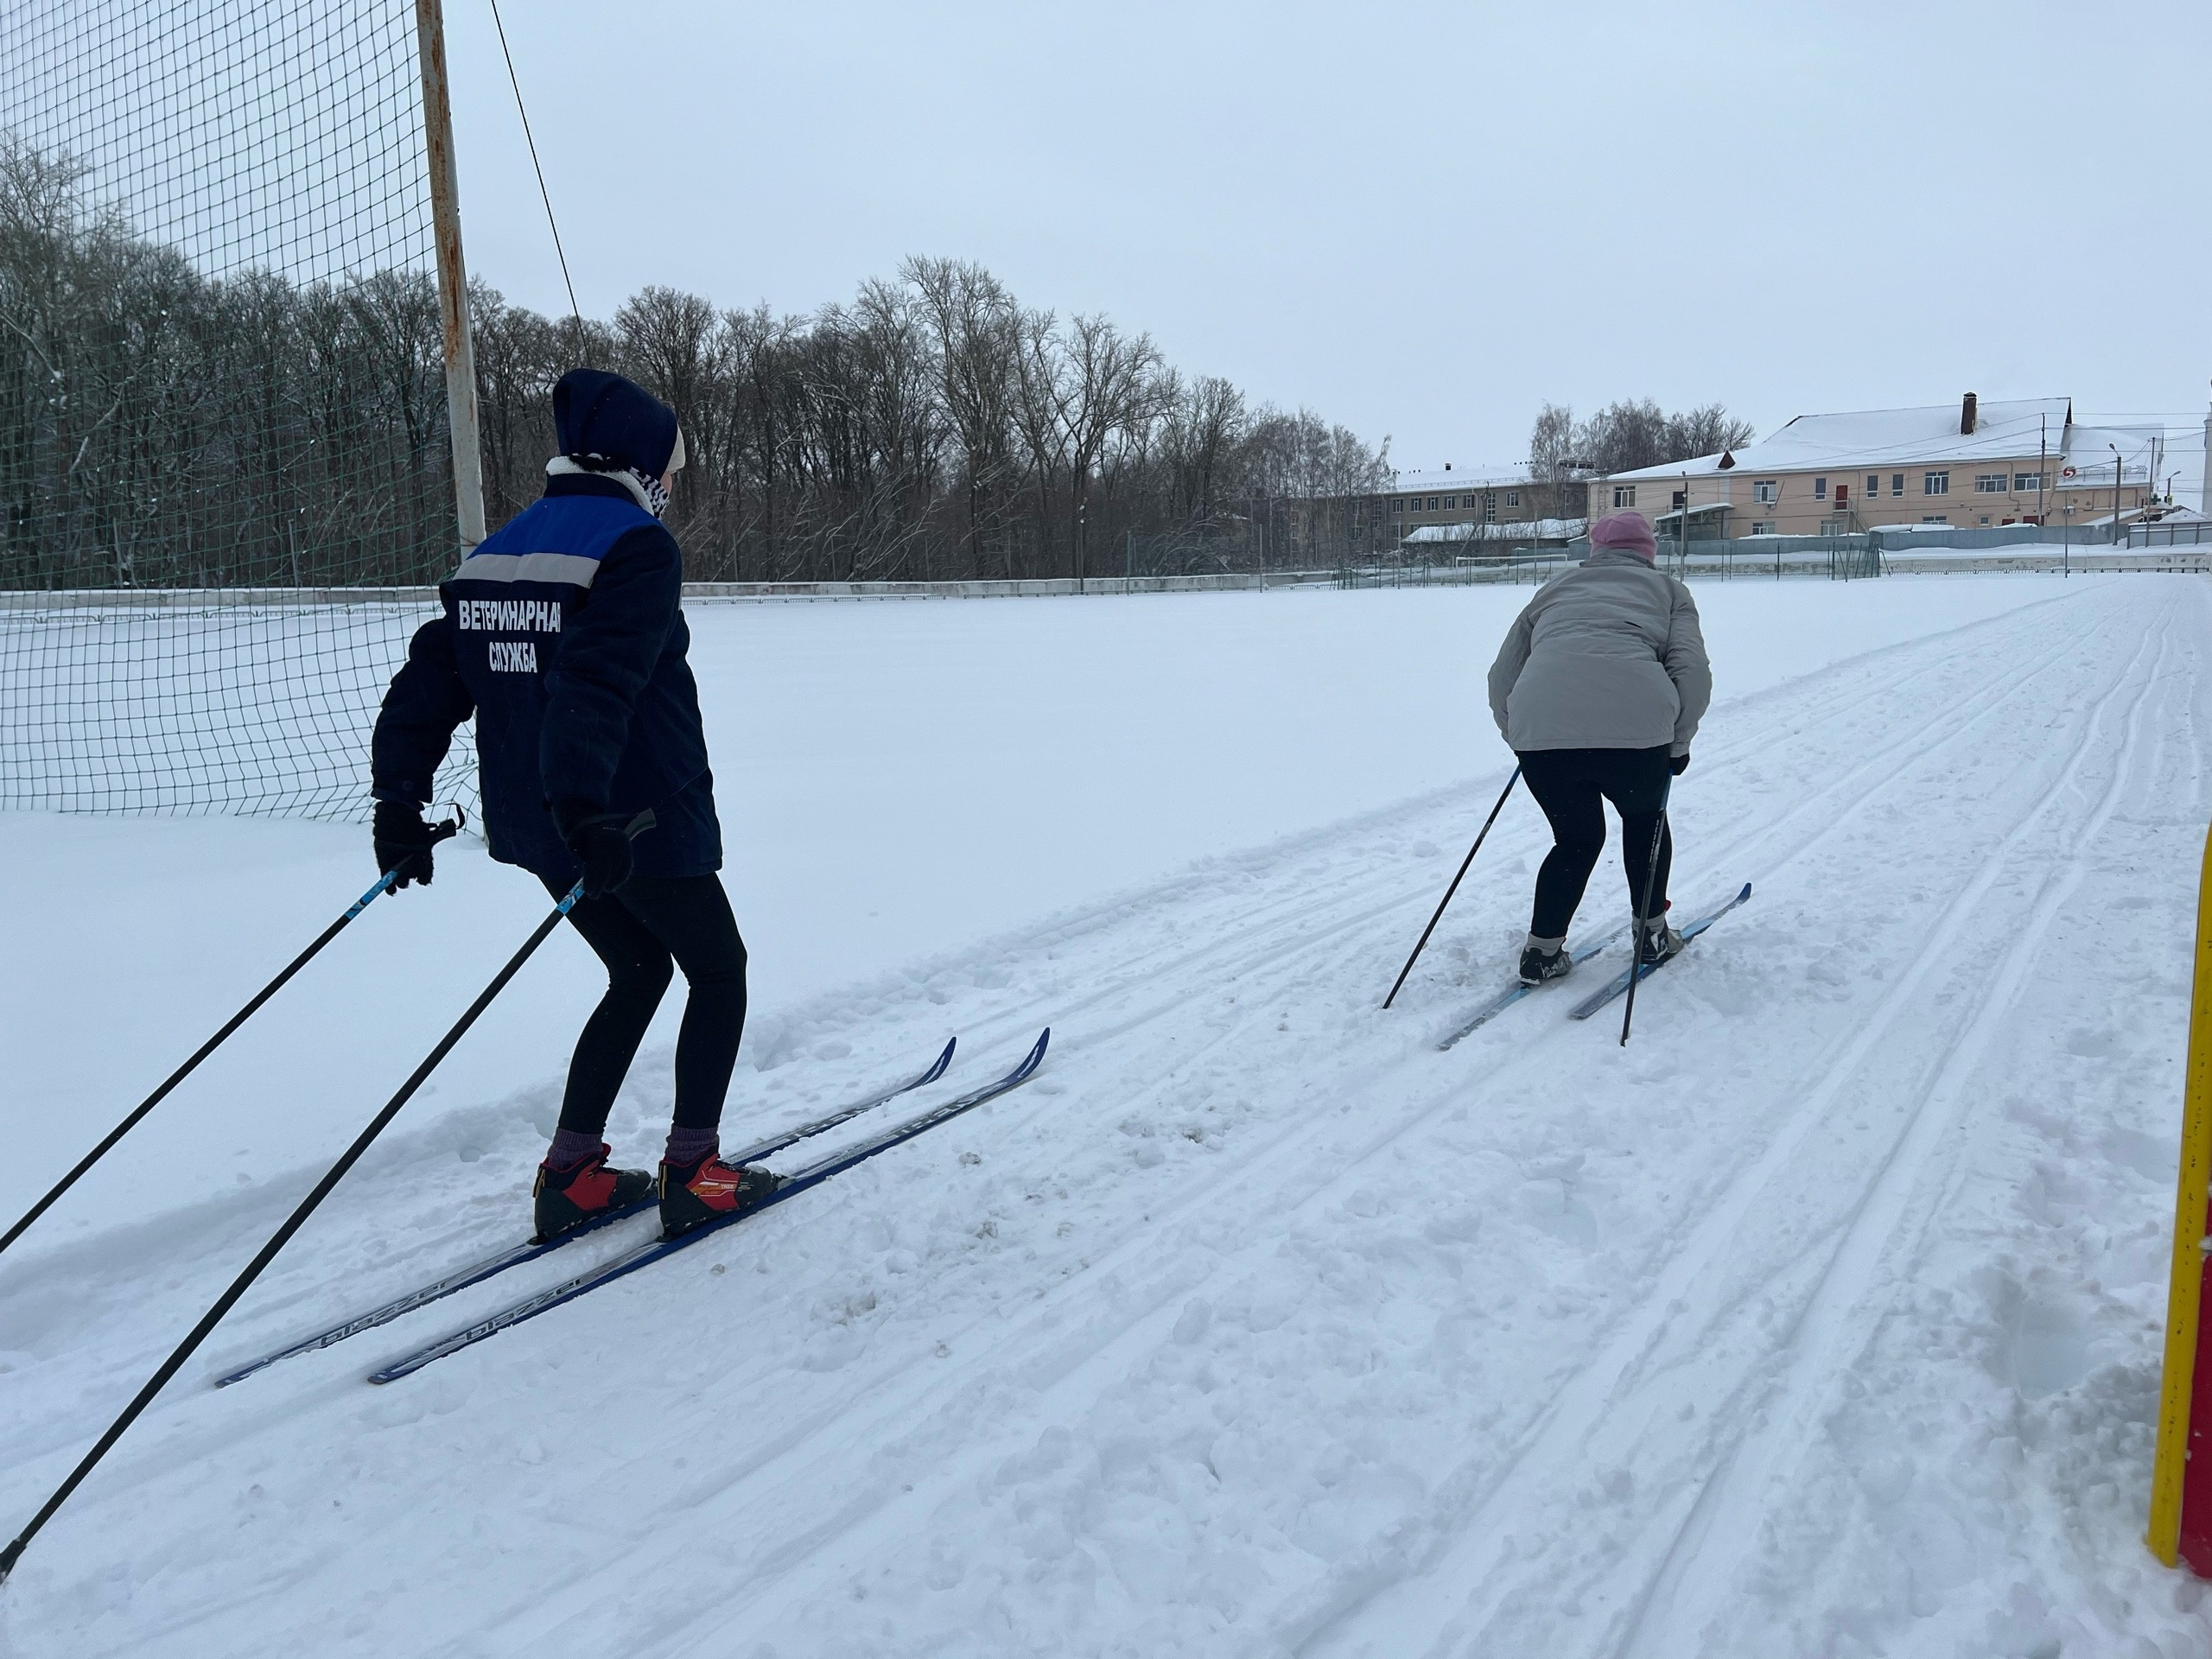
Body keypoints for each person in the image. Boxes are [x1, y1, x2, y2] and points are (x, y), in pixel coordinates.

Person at [369, 367, 775, 1243]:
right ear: (642, 464)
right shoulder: (633, 545)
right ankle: (694, 1171)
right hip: (629, 818)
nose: (671, 487)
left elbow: (430, 682)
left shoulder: (502, 547)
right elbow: (597, 683)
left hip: (542, 823)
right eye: (670, 469)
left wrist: (398, 798)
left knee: (638, 969)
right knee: (719, 969)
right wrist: (591, 806)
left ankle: (571, 1175)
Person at [1486, 511, 1712, 986]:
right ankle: (1650, 935)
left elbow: (1501, 676)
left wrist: (1524, 736)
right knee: (1646, 823)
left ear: (1596, 551)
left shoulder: (1554, 590)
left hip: (1542, 733)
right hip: (1638, 735)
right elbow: (1691, 670)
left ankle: (1542, 951)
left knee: (1575, 840)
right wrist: (1679, 742)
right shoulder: (1669, 592)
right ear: (1649, 551)